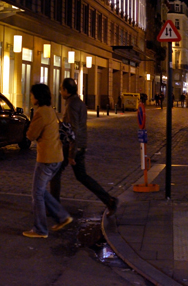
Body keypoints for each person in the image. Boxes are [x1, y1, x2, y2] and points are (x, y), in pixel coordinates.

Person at [50, 78, 118, 215]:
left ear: (66, 91)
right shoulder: (79, 103)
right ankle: (109, 200)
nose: (60, 92)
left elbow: (73, 129)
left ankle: (54, 207)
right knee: (82, 176)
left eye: (61, 89)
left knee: (55, 172)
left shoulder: (72, 105)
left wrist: (71, 154)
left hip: (72, 146)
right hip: (79, 144)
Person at [23, 83, 72, 239]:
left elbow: (30, 135)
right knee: (41, 190)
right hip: (56, 156)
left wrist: (31, 127)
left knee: (37, 193)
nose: (31, 97)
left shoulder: (40, 113)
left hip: (46, 158)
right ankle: (62, 216)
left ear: (37, 97)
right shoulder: (50, 110)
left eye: (32, 95)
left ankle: (40, 229)